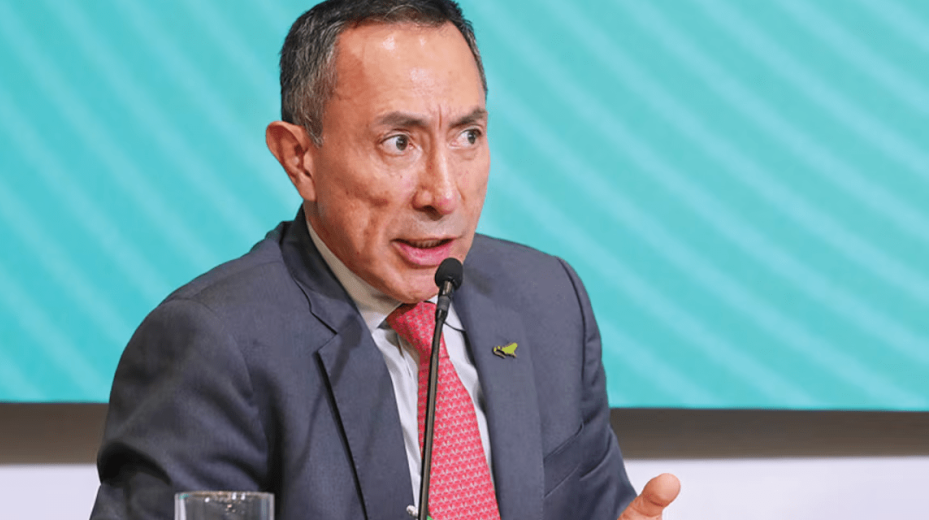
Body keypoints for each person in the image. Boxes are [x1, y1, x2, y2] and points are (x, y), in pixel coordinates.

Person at [90, 1, 680, 519]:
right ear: (299, 158)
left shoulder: (548, 299)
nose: (443, 195)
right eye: (399, 143)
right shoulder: (214, 347)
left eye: (468, 136)